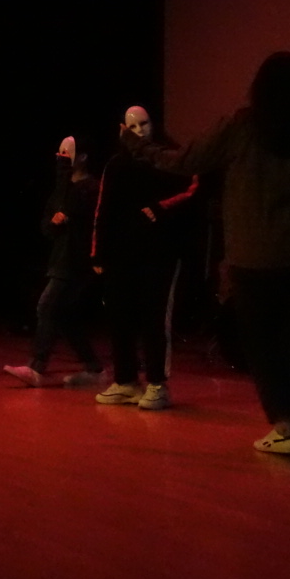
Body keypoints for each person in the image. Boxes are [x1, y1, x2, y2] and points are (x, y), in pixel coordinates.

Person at [123, 52, 290, 455]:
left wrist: (140, 148)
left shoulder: (242, 127)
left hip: (257, 256)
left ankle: (284, 426)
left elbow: (186, 160)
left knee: (264, 345)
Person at [92, 106, 198, 411]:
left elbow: (194, 189)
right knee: (120, 317)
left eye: (144, 124)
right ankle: (126, 380)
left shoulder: (169, 159)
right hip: (122, 255)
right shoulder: (117, 164)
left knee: (154, 317)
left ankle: (157, 383)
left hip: (160, 254)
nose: (140, 131)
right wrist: (98, 253)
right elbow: (103, 209)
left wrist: (161, 209)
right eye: (133, 126)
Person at [4, 135, 105, 388]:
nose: (61, 158)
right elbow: (48, 225)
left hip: (78, 260)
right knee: (65, 316)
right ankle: (94, 368)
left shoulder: (91, 187)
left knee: (47, 306)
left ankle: (36, 366)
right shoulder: (63, 188)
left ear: (82, 157)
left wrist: (62, 182)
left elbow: (72, 209)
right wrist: (54, 222)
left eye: (66, 153)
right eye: (59, 153)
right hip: (60, 258)